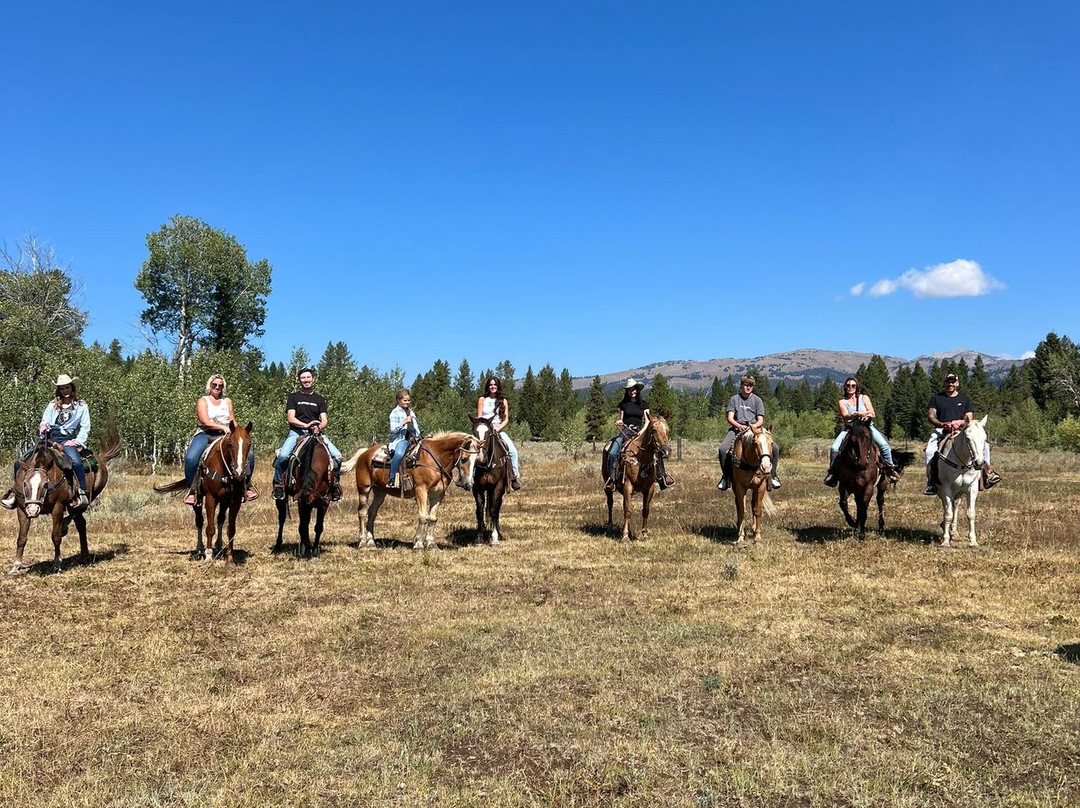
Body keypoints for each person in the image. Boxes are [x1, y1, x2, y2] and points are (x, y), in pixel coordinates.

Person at [1, 373, 91, 510]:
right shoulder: (52, 404)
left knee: (76, 462)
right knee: (19, 462)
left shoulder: (81, 406)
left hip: (66, 439)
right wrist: (43, 425)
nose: (65, 391)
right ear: (58, 390)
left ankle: (81, 492)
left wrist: (77, 441)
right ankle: (15, 493)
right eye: (62, 389)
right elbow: (45, 419)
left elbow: (85, 426)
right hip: (47, 437)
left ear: (72, 388)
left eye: (67, 388)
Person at [182, 374, 257, 506]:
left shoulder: (227, 401)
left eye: (221, 386)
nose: (218, 387)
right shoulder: (203, 401)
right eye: (215, 385)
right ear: (209, 386)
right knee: (191, 458)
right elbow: (205, 421)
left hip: (227, 433)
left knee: (249, 454)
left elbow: (232, 419)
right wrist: (222, 426)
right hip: (205, 433)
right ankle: (192, 489)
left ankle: (246, 485)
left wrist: (238, 431)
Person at [923, 372, 1001, 495]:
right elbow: (931, 416)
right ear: (945, 383)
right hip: (941, 429)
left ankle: (988, 473)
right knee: (929, 451)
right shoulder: (936, 398)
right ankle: (931, 482)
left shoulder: (964, 399)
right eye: (948, 381)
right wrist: (942, 424)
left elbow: (969, 417)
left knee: (984, 446)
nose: (950, 384)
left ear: (957, 383)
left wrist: (959, 422)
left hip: (962, 430)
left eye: (953, 381)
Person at [272, 368, 342, 501]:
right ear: (299, 380)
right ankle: (279, 484)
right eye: (303, 378)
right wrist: (305, 425)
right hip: (296, 433)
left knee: (338, 457)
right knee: (283, 456)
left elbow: (324, 419)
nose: (306, 380)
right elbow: (291, 418)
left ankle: (334, 485)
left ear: (313, 379)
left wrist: (318, 427)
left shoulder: (319, 399)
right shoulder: (293, 397)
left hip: (316, 434)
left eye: (308, 377)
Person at [823, 377, 899, 486]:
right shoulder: (842, 402)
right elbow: (845, 416)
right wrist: (855, 415)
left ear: (857, 387)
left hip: (867, 427)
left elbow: (872, 413)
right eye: (848, 385)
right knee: (834, 448)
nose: (850, 387)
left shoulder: (864, 398)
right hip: (850, 428)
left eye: (853, 385)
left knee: (884, 445)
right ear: (845, 387)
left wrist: (865, 414)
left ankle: (890, 470)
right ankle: (833, 472)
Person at [604, 378, 674, 492]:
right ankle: (612, 480)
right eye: (630, 390)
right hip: (626, 432)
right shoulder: (623, 404)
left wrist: (642, 431)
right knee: (612, 452)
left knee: (657, 450)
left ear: (637, 390)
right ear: (627, 391)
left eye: (634, 389)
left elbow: (648, 420)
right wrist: (619, 422)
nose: (633, 392)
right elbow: (621, 419)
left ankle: (662, 477)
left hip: (640, 431)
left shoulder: (643, 404)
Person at [717, 374, 781, 492]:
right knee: (722, 449)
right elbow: (730, 418)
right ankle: (725, 477)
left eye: (750, 385)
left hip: (755, 429)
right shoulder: (734, 399)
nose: (748, 387)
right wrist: (740, 426)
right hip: (737, 428)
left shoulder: (757, 400)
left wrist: (752, 427)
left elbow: (760, 420)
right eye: (746, 385)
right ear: (741, 386)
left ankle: (773, 475)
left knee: (775, 448)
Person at [476, 376, 522, 490]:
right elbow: (479, 417)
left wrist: (496, 430)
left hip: (498, 430)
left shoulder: (503, 401)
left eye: (495, 385)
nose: (493, 387)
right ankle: (465, 478)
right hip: (483, 430)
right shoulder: (482, 399)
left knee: (512, 452)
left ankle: (513, 478)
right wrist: (484, 429)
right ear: (488, 386)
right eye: (491, 385)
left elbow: (506, 420)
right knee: (469, 450)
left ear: (498, 387)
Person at [388, 388, 422, 488]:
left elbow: (415, 427)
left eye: (408, 400)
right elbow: (393, 430)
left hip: (414, 438)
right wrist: (403, 422)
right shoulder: (394, 412)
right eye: (405, 400)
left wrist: (419, 436)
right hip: (401, 439)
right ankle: (392, 477)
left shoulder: (411, 412)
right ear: (398, 400)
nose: (407, 402)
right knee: (399, 454)